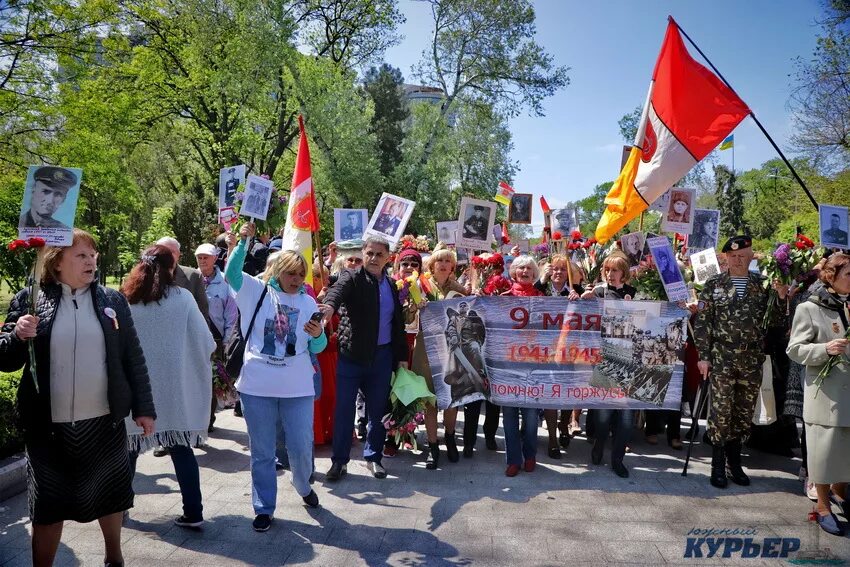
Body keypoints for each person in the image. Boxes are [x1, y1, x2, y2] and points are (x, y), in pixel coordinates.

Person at [0, 229, 155, 567]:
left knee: (110, 495)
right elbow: (6, 360)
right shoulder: (30, 299)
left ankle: (114, 556)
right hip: (47, 427)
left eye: (93, 255)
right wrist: (16, 334)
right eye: (81, 255)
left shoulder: (112, 301)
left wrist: (144, 408)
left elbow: (133, 356)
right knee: (47, 504)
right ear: (56, 263)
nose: (91, 261)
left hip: (102, 420)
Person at [225, 223, 327, 532]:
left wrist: (319, 333)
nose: (296, 280)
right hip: (257, 386)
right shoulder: (256, 290)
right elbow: (230, 274)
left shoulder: (309, 302)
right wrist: (244, 242)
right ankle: (264, 507)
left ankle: (302, 485)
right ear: (278, 271)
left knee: (300, 446)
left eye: (301, 275)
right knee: (263, 451)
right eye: (291, 274)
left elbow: (317, 347)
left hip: (297, 387)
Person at [122, 246, 215, 529]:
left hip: (137, 390)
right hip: (173, 390)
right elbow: (206, 342)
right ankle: (194, 511)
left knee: (128, 450)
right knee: (180, 449)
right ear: (170, 268)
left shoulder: (126, 300)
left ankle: (118, 510)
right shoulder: (183, 298)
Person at [693, 235, 788, 489]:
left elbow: (775, 321)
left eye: (742, 256)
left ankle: (734, 463)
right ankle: (717, 464)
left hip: (751, 358)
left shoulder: (762, 284)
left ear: (750, 257)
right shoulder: (714, 284)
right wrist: (703, 356)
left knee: (743, 413)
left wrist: (780, 297)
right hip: (722, 357)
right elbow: (703, 324)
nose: (737, 260)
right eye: (733, 256)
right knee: (721, 412)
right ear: (725, 258)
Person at [320, 236, 408, 481]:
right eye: (369, 253)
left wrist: (401, 357)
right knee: (344, 411)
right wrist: (328, 307)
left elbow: (397, 325)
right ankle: (339, 461)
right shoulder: (352, 276)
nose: (373, 258)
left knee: (378, 412)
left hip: (381, 358)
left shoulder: (392, 285)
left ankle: (374, 457)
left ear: (388, 258)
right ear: (363, 253)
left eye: (379, 255)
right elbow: (336, 292)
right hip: (352, 357)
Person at [787, 253, 850, 536]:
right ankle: (822, 507)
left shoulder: (847, 305)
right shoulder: (810, 308)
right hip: (826, 395)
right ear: (831, 276)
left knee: (845, 453)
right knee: (824, 455)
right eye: (849, 274)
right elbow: (795, 349)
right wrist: (824, 349)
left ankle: (840, 494)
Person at [409, 244, 468, 468]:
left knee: (451, 398)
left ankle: (450, 439)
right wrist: (416, 307)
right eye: (439, 261)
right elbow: (407, 317)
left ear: (453, 266)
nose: (443, 265)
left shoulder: (461, 289)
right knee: (430, 400)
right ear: (431, 265)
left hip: (453, 348)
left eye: (447, 261)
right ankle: (433, 447)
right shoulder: (419, 286)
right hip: (426, 347)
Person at [582, 255, 637, 478]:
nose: (610, 274)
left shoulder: (635, 294)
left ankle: (617, 460)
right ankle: (599, 444)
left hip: (628, 360)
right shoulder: (598, 292)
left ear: (623, 272)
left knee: (625, 416)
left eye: (614, 270)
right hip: (603, 359)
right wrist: (581, 297)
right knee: (603, 415)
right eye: (607, 269)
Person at [499, 255, 544, 476]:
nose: (525, 271)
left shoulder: (544, 299)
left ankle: (531, 455)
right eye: (521, 268)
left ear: (534, 274)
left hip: (533, 367)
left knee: (530, 416)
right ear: (514, 272)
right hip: (507, 367)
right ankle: (513, 459)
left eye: (529, 268)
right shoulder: (502, 298)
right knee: (509, 416)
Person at [535, 255, 583, 458]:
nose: (558, 272)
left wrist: (582, 298)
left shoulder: (577, 290)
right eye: (554, 269)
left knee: (566, 392)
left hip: (569, 350)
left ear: (569, 274)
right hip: (544, 351)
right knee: (549, 393)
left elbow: (593, 305)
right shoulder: (540, 288)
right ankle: (553, 439)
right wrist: (542, 281)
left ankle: (564, 425)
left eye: (563, 269)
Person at [195, 243, 239, 426]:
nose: (203, 260)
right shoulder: (190, 279)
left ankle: (207, 419)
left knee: (211, 380)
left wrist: (228, 341)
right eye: (199, 257)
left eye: (206, 257)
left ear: (214, 259)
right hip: (192, 337)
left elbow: (231, 314)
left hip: (215, 339)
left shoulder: (224, 283)